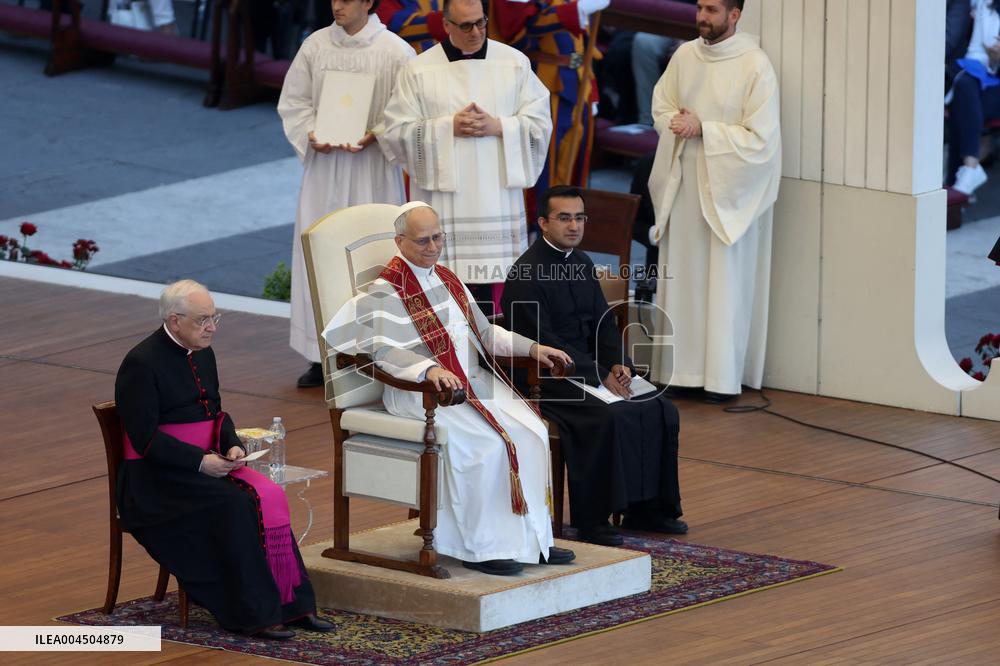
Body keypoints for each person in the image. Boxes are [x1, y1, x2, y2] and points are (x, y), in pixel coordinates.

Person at [322, 202, 576, 575]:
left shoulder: (448, 279)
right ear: (400, 242)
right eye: (423, 240)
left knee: (532, 432)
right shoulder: (385, 291)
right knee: (486, 446)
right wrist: (429, 370)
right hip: (421, 393)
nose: (433, 247)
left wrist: (533, 348)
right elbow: (383, 353)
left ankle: (534, 542)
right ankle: (480, 547)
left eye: (438, 237)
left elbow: (485, 333)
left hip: (469, 384)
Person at [114, 280, 332, 639]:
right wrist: (200, 462)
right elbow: (146, 438)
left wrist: (231, 444)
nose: (212, 328)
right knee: (236, 503)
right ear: (174, 321)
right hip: (155, 480)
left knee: (267, 494)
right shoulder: (141, 363)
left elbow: (216, 414)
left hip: (203, 464)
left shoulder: (203, 352)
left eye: (215, 318)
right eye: (203, 320)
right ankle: (254, 613)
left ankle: (294, 606)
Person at [501, 186, 685, 546]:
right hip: (547, 376)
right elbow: (542, 341)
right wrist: (598, 374)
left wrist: (618, 364)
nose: (574, 226)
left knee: (660, 408)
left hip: (592, 369)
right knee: (607, 417)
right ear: (543, 223)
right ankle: (593, 520)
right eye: (564, 218)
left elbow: (604, 322)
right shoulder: (526, 273)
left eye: (579, 217)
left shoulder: (582, 263)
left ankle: (645, 509)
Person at [646, 0, 780, 401]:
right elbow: (661, 105)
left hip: (726, 193)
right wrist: (675, 122)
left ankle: (719, 379)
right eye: (700, 8)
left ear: (734, 15)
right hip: (683, 186)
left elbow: (762, 141)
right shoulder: (685, 56)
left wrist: (705, 128)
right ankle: (677, 372)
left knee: (722, 285)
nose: (702, 17)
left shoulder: (755, 65)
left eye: (712, 10)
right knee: (682, 279)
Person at [279, 0, 415, 388]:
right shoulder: (316, 46)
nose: (336, 5)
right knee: (320, 251)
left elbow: (408, 112)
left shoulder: (395, 52)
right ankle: (320, 355)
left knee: (370, 256)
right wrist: (310, 133)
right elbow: (294, 102)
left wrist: (378, 133)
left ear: (368, 2)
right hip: (324, 171)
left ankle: (372, 353)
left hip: (371, 171)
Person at [382, 0, 552, 303]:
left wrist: (499, 126)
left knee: (496, 298)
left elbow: (539, 124)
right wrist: (447, 127)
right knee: (445, 290)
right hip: (445, 200)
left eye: (481, 22)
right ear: (446, 25)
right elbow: (395, 131)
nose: (476, 32)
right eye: (465, 25)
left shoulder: (514, 63)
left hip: (496, 197)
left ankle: (495, 332)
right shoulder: (419, 69)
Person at [948, 0, 1000, 196]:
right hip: (984, 82)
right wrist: (993, 58)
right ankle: (969, 169)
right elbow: (975, 53)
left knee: (963, 103)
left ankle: (955, 191)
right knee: (964, 88)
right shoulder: (986, 6)